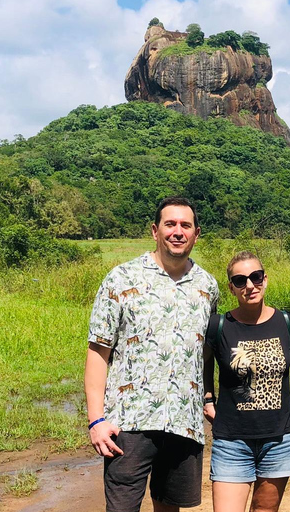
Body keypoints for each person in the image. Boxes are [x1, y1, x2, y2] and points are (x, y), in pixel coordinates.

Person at [84, 196, 219, 512]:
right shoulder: (121, 278)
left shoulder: (207, 286)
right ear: (155, 230)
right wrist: (96, 420)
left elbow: (206, 352)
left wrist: (209, 397)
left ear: (196, 234)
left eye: (185, 225)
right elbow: (98, 351)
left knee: (170, 507)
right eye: (170, 224)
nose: (177, 232)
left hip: (185, 422)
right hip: (129, 422)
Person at [202, 251, 290, 512]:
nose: (249, 286)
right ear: (231, 287)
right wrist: (208, 397)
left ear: (265, 279)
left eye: (255, 277)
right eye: (240, 280)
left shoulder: (287, 322)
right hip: (232, 440)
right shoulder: (219, 325)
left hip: (278, 439)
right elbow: (203, 362)